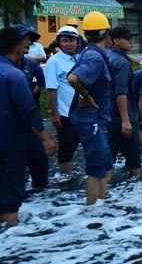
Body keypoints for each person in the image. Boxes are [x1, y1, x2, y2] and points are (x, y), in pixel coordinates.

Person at [0, 27, 57, 225]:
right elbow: (28, 111)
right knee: (10, 193)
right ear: (18, 48)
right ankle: (9, 235)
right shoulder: (14, 75)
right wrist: (45, 139)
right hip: (9, 142)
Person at [67, 11, 113, 205]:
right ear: (107, 34)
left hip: (95, 119)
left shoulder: (87, 53)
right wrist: (87, 96)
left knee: (105, 163)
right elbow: (73, 78)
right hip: (90, 119)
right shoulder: (95, 58)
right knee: (96, 166)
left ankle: (103, 203)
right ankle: (93, 210)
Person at [12, 24, 49, 191]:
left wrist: (29, 94)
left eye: (29, 39)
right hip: (8, 122)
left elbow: (41, 82)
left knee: (40, 158)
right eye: (24, 39)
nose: (28, 42)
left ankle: (40, 194)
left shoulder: (30, 64)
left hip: (29, 120)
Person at [103, 26, 142, 177]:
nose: (132, 42)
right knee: (134, 163)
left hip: (107, 116)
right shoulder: (122, 63)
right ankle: (137, 187)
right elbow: (121, 92)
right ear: (116, 41)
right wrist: (126, 120)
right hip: (124, 117)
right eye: (128, 39)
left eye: (132, 39)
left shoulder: (107, 57)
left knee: (108, 163)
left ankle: (104, 190)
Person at [44, 25, 81, 174]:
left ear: (77, 42)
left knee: (79, 143)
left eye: (72, 40)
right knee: (67, 147)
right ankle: (66, 176)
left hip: (81, 109)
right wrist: (55, 114)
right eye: (65, 41)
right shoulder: (54, 62)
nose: (68, 44)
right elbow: (51, 90)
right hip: (65, 112)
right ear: (59, 42)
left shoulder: (79, 58)